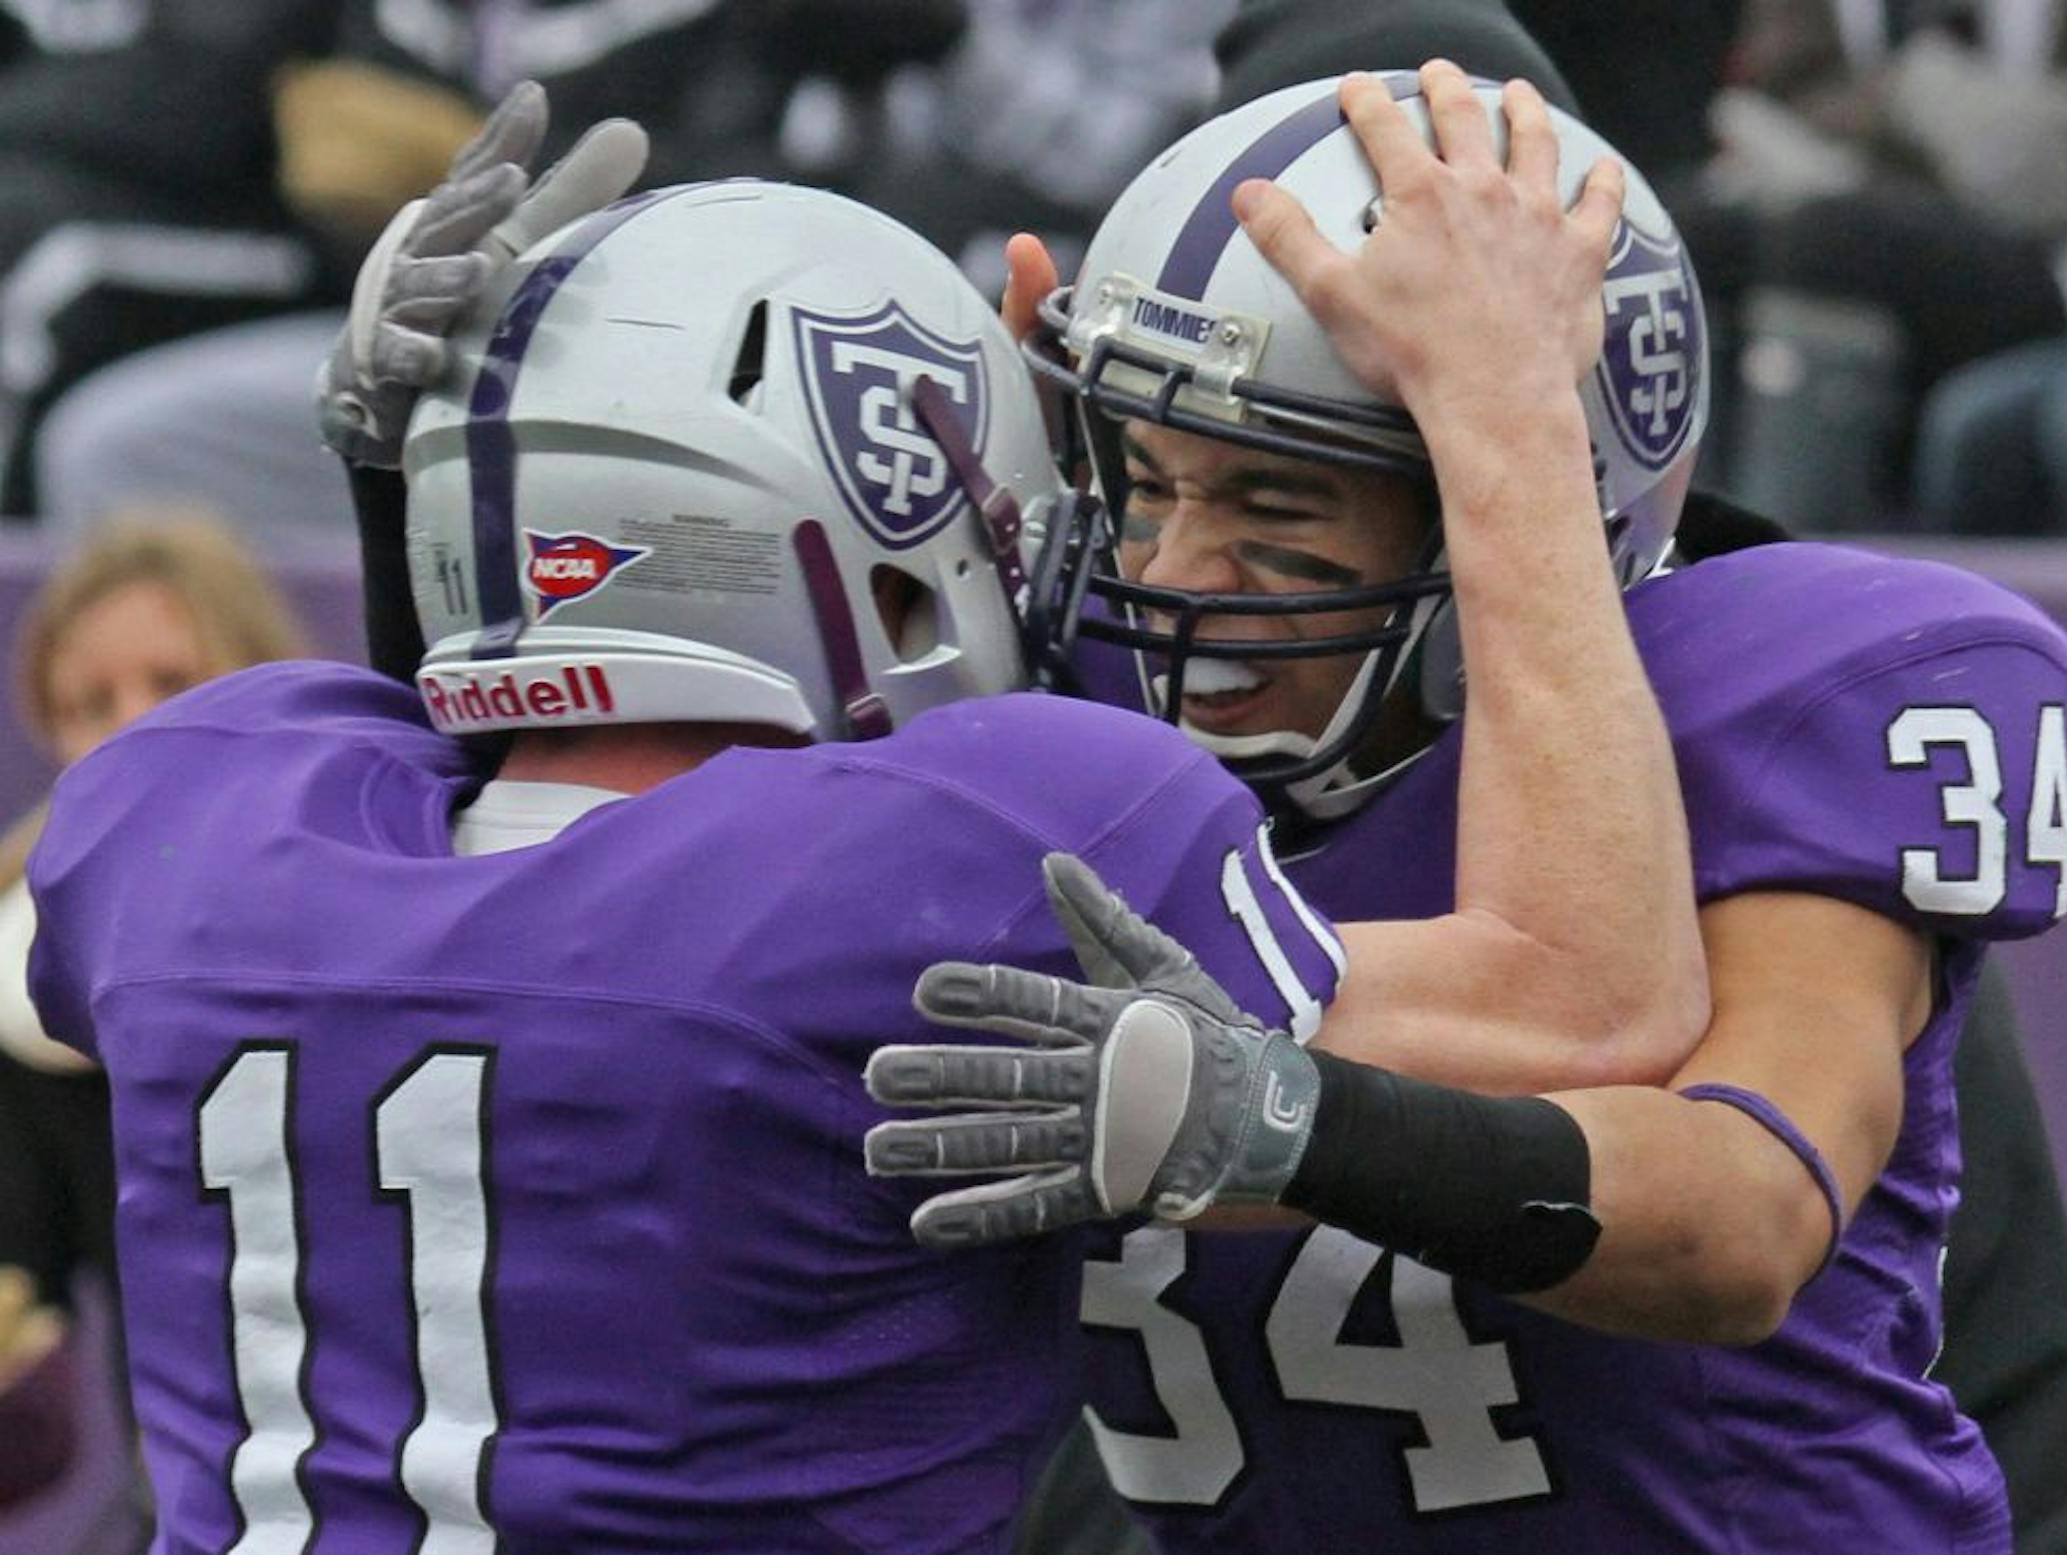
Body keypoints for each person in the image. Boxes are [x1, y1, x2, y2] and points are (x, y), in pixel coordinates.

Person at [20, 158, 1363, 1553]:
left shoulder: (185, 807)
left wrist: (408, 492)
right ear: (876, 540)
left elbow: (470, 913)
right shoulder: (953, 857)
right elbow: (1565, 1013)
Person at [867, 64, 2067, 1554]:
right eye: (1147, 481)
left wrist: (1296, 1125)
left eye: (1276, 503)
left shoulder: (1784, 689)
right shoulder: (1073, 689)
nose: (1176, 571)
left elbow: (1734, 1224)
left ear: (1521, 478)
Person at [1, 513, 311, 1543]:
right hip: (195, 1499)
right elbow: (22, 1293)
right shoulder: (22, 985)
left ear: (265, 676)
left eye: (171, 682)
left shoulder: (414, 893)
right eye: (88, 704)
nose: (130, 730)